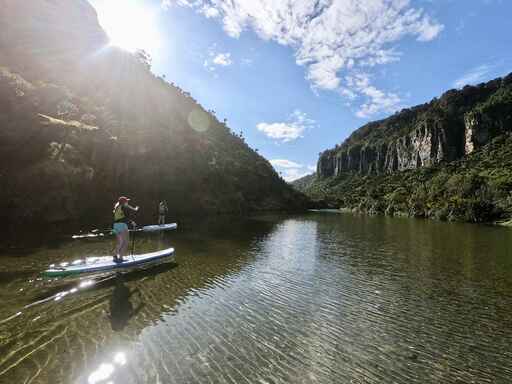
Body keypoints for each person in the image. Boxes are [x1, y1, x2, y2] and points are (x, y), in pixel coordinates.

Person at [113, 196, 139, 262]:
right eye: (127, 201)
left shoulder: (117, 207)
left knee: (120, 242)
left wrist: (135, 209)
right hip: (122, 225)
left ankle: (115, 255)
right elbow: (126, 218)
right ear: (124, 202)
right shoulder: (124, 207)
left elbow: (121, 217)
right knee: (125, 242)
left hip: (115, 225)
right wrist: (132, 222)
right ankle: (121, 258)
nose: (127, 202)